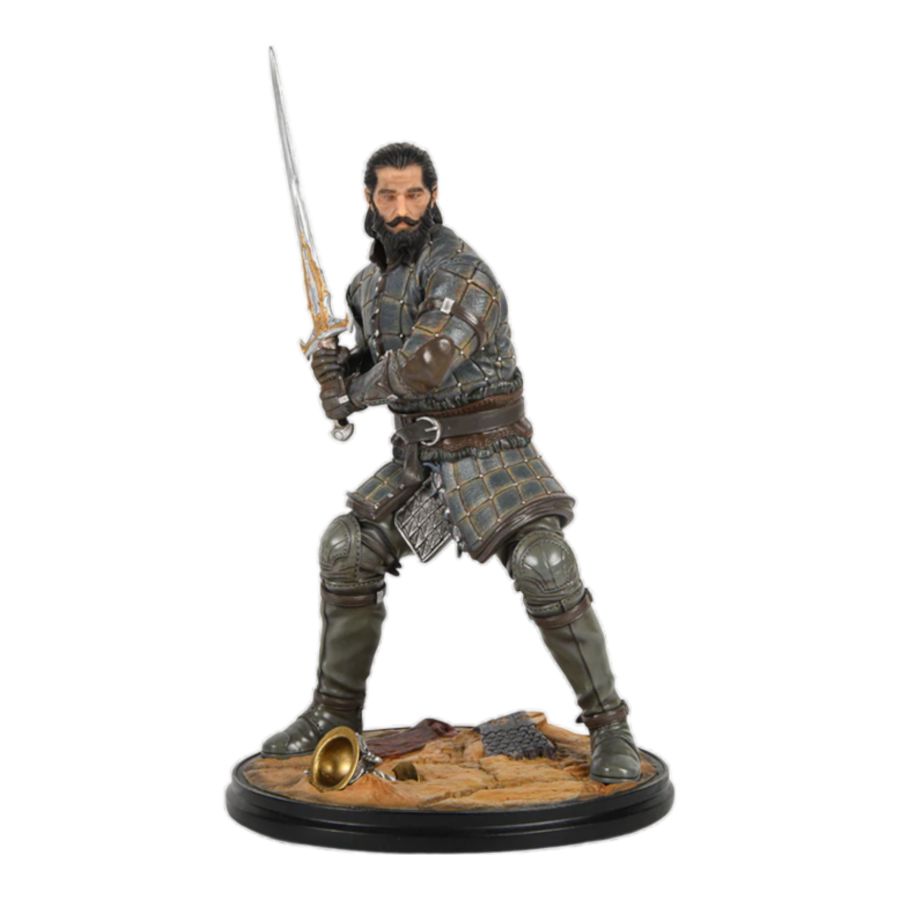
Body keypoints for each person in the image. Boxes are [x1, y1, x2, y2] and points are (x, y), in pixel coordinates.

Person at [259, 140, 641, 783]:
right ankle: (333, 715)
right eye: (388, 195)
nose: (401, 209)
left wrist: (351, 393)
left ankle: (611, 726)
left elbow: (423, 364)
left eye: (414, 194)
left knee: (546, 565)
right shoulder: (365, 284)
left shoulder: (463, 271)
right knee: (346, 547)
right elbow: (370, 365)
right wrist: (332, 368)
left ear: (433, 196)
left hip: (491, 453)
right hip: (417, 462)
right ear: (368, 200)